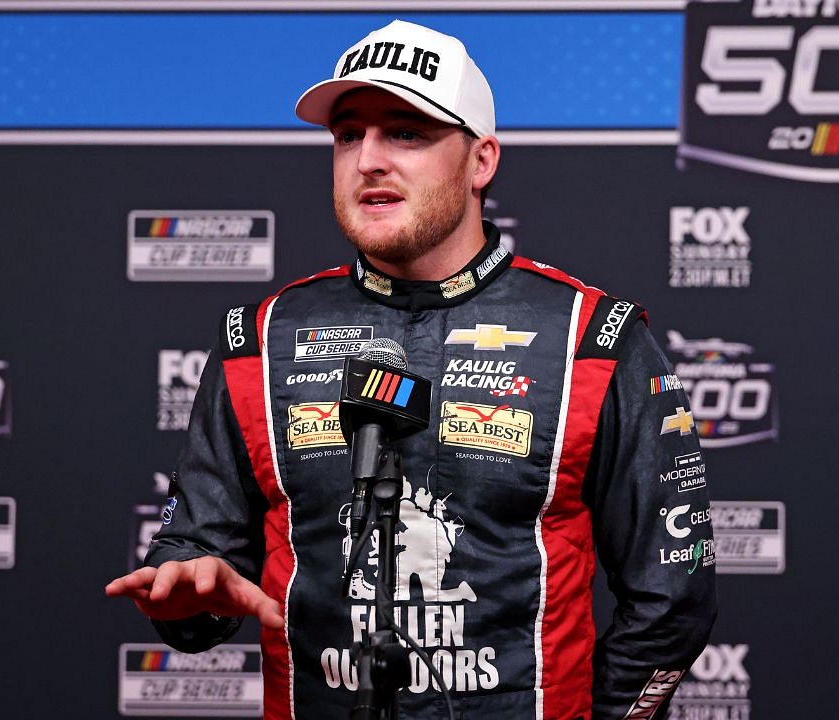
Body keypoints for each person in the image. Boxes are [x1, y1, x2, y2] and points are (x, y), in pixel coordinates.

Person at [106, 19, 717, 719]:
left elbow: (671, 603)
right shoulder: (260, 341)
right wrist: (189, 602)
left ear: (481, 160)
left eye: (405, 132)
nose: (367, 159)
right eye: (347, 135)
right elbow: (195, 564)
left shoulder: (595, 340)